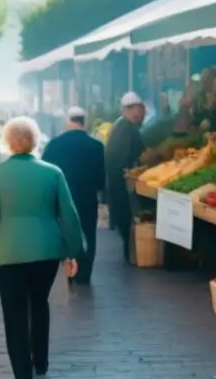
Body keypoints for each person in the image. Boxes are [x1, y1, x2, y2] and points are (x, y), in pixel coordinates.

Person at [0, 116, 85, 379]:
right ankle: (41, 361)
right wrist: (73, 251)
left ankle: (23, 378)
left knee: (14, 313)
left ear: (7, 142)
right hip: (46, 251)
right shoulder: (53, 173)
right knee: (39, 303)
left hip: (7, 253)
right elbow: (69, 215)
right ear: (34, 141)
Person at [41, 106, 105, 284]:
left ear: (68, 122)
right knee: (89, 234)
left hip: (62, 199)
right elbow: (101, 178)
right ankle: (84, 274)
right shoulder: (97, 146)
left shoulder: (54, 145)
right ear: (85, 122)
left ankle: (70, 270)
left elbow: (45, 173)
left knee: (66, 233)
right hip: (87, 198)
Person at [104, 92, 146, 264]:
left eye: (138, 107)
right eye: (130, 108)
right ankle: (130, 252)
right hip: (121, 183)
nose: (135, 111)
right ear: (123, 110)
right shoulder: (125, 127)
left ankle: (130, 252)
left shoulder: (124, 126)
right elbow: (121, 158)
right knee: (125, 217)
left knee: (125, 217)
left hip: (120, 182)